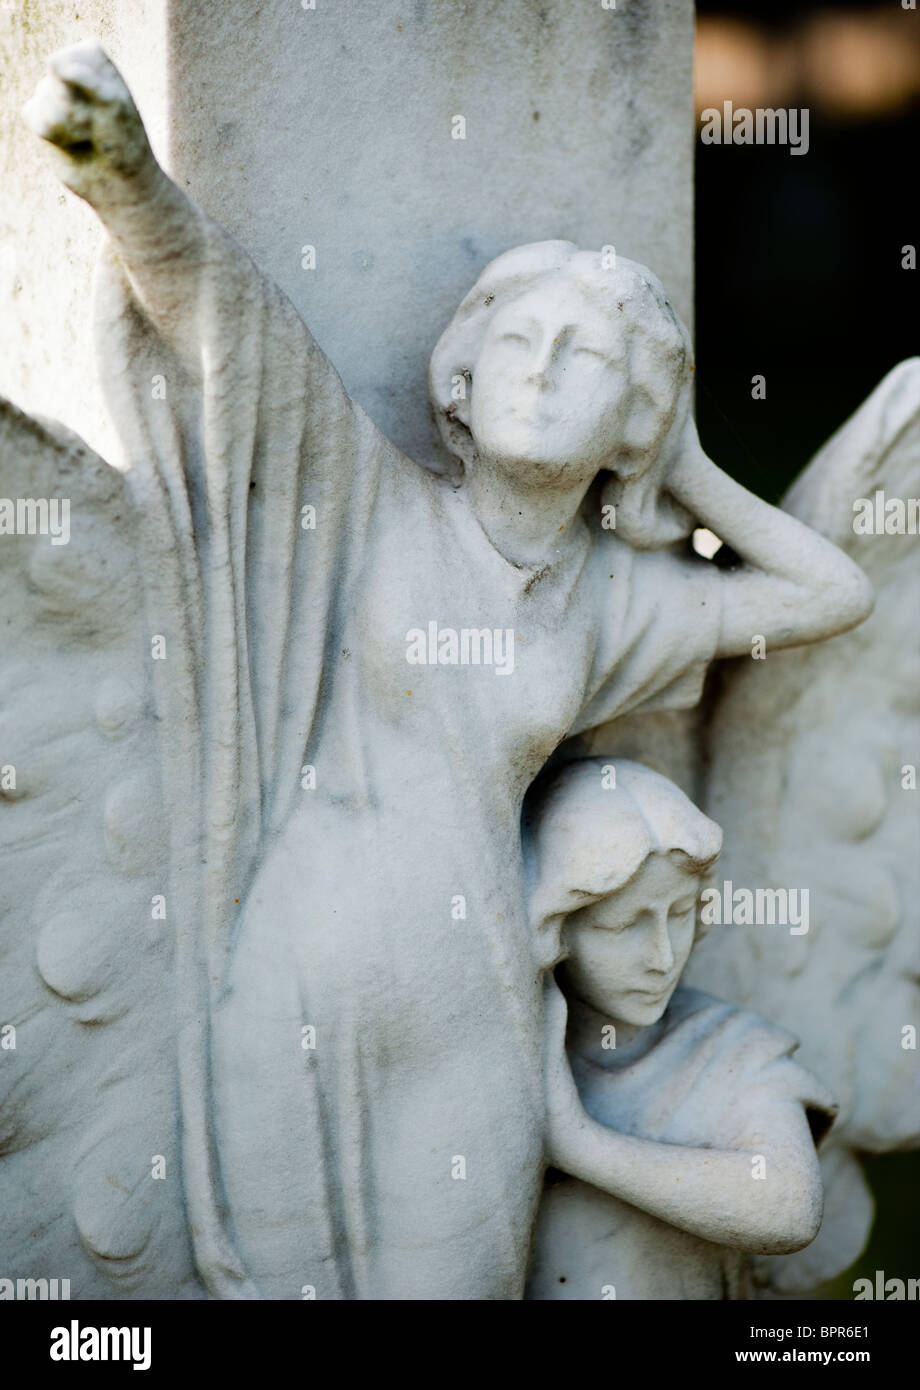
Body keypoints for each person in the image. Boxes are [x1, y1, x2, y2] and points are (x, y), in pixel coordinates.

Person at [23, 41, 869, 1299]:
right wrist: (126, 177)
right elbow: (236, 334)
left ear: (624, 419)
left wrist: (678, 461)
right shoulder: (368, 510)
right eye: (516, 340)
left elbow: (826, 593)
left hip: (467, 1000)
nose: (538, 367)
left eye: (582, 359)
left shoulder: (607, 608)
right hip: (291, 965)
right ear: (458, 386)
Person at [527, 759, 836, 1300]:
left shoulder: (729, 1047)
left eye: (680, 913)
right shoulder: (511, 1057)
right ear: (558, 927)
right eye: (625, 925)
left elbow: (788, 1207)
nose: (662, 956)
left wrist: (579, 1145)